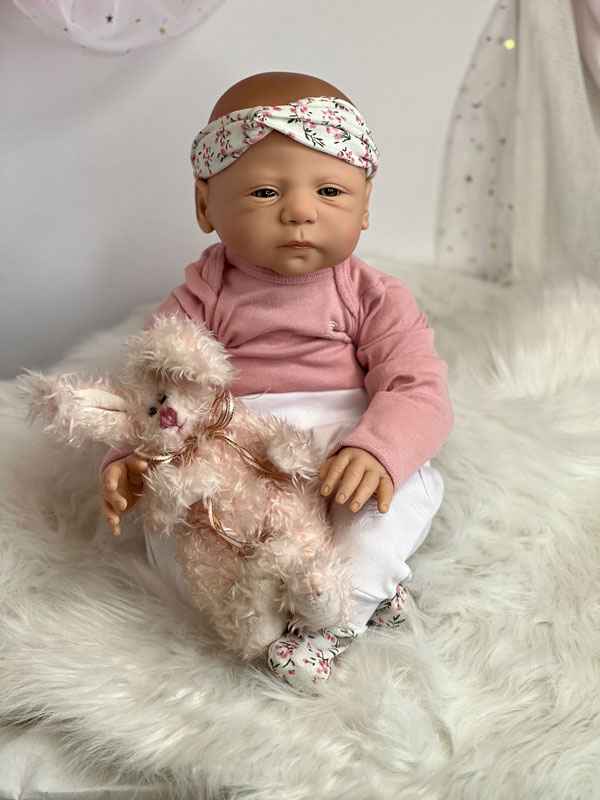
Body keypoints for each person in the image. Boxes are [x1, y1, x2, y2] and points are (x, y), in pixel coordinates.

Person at [99, 71, 453, 691]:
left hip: (345, 449)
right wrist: (131, 455)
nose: (299, 211)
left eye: (330, 191)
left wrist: (381, 448)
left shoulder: (373, 296)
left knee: (385, 511)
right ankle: (275, 610)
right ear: (205, 206)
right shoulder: (199, 298)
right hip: (239, 457)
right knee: (178, 532)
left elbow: (418, 387)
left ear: (365, 206)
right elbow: (153, 390)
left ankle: (339, 618)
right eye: (265, 191)